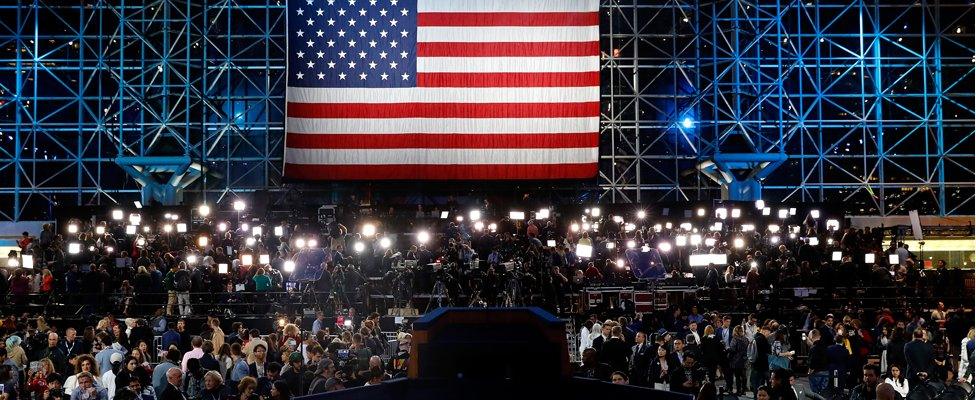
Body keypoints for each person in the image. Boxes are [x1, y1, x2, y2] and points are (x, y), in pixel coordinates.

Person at [728, 325, 749, 395]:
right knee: (743, 376)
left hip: (737, 360)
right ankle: (744, 390)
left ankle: (738, 391)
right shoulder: (746, 339)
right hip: (745, 359)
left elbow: (732, 349)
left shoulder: (735, 339)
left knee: (737, 377)